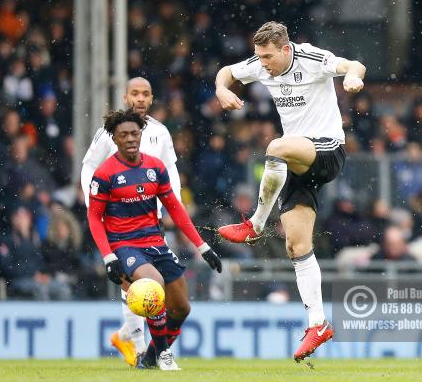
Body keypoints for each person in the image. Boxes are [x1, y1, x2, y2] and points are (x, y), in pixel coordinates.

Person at [214, 21, 365, 361]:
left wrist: (354, 77)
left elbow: (352, 65)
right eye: (259, 56)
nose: (262, 63)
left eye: (267, 56)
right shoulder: (261, 64)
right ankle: (319, 324)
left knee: (276, 146)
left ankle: (254, 224)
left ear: (285, 49)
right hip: (299, 164)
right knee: (296, 246)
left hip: (326, 150)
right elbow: (226, 72)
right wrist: (222, 90)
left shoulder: (310, 57)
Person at [87, 109, 221, 370]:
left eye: (134, 133)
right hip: (124, 244)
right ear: (114, 139)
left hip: (155, 242)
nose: (129, 139)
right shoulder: (104, 174)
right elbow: (94, 218)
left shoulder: (155, 167)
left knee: (182, 308)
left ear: (141, 135)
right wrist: (108, 256)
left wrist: (202, 246)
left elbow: (175, 208)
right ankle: (164, 355)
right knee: (153, 285)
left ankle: (149, 358)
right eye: (123, 134)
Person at [80, 77, 182, 365]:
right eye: (134, 93)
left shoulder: (161, 133)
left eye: (145, 94)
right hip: (117, 222)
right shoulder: (109, 133)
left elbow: (170, 171)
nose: (139, 98)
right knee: (132, 284)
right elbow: (88, 166)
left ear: (151, 99)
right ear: (126, 97)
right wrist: (93, 203)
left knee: (155, 289)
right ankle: (140, 349)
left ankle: (126, 335)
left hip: (151, 219)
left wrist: (174, 206)